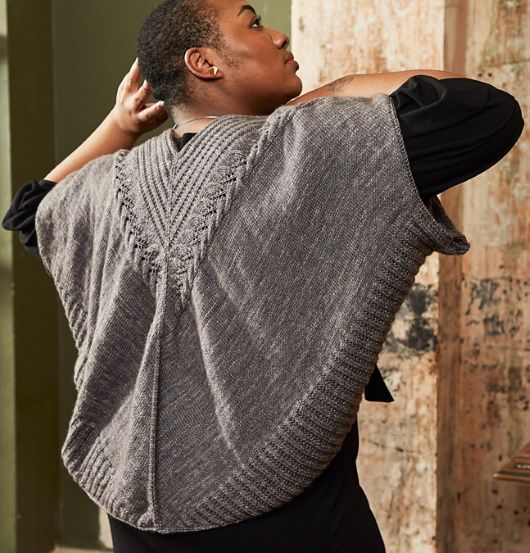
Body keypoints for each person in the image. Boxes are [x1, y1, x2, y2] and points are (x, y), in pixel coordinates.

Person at [2, 1, 524, 551]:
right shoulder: (314, 143)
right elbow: (483, 108)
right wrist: (337, 88)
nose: (276, 36)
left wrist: (121, 125)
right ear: (204, 63)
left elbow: (34, 212)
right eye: (252, 23)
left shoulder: (103, 186)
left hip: (134, 504)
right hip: (287, 504)